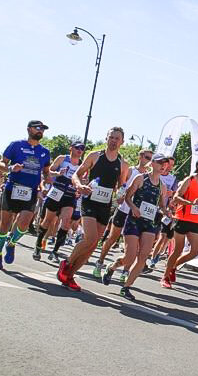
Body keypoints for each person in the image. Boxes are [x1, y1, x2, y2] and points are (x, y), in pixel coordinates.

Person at [56, 127, 129, 291]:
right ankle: (66, 263)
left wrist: (121, 194)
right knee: (90, 238)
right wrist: (80, 185)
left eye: (117, 138)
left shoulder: (122, 164)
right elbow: (76, 174)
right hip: (89, 200)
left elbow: (121, 186)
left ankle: (70, 275)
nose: (114, 140)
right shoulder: (95, 156)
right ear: (106, 138)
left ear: (122, 142)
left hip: (105, 205)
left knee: (93, 244)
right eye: (111, 137)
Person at [103, 153, 169, 299]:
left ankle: (126, 287)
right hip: (134, 220)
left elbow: (162, 205)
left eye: (164, 163)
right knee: (130, 257)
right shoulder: (140, 178)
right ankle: (112, 267)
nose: (162, 165)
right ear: (152, 164)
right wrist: (133, 207)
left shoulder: (162, 186)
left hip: (149, 223)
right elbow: (127, 196)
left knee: (143, 256)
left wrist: (167, 212)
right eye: (159, 162)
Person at [0, 120, 51, 269]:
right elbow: (0, 164)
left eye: (42, 129)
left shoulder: (45, 151)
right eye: (38, 128)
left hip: (30, 191)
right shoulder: (16, 145)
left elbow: (46, 172)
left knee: (24, 224)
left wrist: (48, 180)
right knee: (4, 224)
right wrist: (11, 167)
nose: (40, 131)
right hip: (13, 188)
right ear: (29, 129)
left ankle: (11, 243)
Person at [93, 149, 152, 278]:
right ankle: (100, 262)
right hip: (123, 210)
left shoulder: (148, 177)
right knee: (112, 238)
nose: (149, 161)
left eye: (151, 159)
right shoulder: (131, 170)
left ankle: (125, 271)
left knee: (133, 245)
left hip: (136, 214)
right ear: (140, 157)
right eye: (147, 157)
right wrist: (119, 195)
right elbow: (121, 184)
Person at [160, 157, 198, 288]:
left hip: (195, 221)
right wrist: (189, 203)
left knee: (195, 251)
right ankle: (165, 277)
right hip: (182, 219)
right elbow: (176, 197)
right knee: (177, 250)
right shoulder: (190, 180)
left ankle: (173, 267)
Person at [32, 141, 84, 261]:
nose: (80, 150)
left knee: (66, 223)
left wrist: (82, 184)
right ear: (71, 148)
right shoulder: (62, 158)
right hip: (57, 192)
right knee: (48, 221)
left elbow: (81, 180)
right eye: (77, 148)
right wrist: (58, 173)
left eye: (82, 148)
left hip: (70, 195)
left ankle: (55, 251)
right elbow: (48, 171)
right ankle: (38, 245)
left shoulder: (82, 164)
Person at [144, 156, 178, 272]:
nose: (169, 167)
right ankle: (145, 259)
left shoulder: (173, 179)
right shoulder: (152, 174)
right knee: (152, 236)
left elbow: (175, 194)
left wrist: (171, 195)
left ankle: (152, 258)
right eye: (168, 164)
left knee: (162, 237)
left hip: (163, 211)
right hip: (149, 208)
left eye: (172, 165)